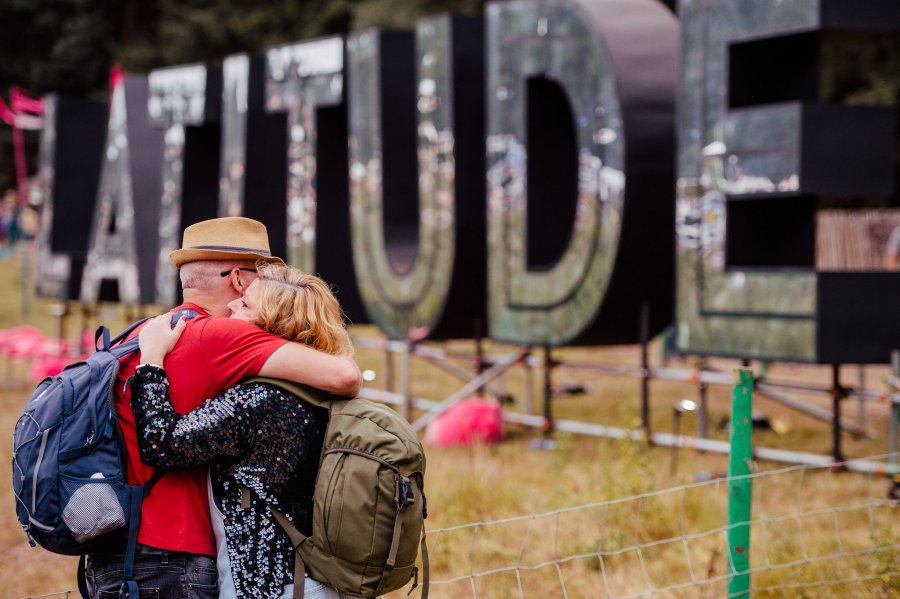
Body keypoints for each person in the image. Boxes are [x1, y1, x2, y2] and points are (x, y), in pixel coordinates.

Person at [85, 217, 361, 599]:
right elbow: (346, 374)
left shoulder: (143, 333)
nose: (238, 304)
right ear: (239, 278)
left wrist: (152, 358)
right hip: (176, 555)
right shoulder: (226, 337)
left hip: (111, 544)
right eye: (257, 277)